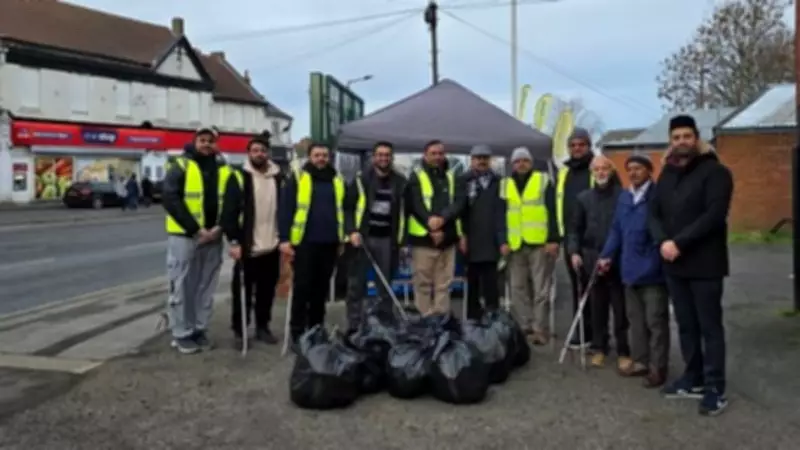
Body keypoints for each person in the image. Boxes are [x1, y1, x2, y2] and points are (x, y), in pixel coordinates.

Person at [649, 114, 733, 416]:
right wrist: (662, 241)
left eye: (686, 136)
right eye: (676, 138)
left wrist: (679, 243)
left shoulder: (716, 172)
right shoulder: (667, 174)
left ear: (696, 138)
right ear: (670, 141)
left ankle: (715, 388)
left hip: (706, 264)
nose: (681, 142)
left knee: (709, 327)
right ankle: (693, 376)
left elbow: (713, 216)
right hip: (674, 265)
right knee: (685, 325)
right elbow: (653, 212)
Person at [598, 153, 669, 387]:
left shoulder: (657, 196)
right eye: (630, 169)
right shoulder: (625, 198)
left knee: (655, 321)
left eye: (639, 168)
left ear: (649, 171)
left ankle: (658, 368)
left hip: (652, 271)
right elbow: (616, 230)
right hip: (628, 269)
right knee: (635, 320)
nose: (633, 173)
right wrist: (606, 255)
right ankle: (640, 361)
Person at [162, 127, 233, 354]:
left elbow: (231, 200)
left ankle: (199, 329)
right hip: (186, 236)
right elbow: (170, 198)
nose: (206, 144)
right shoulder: (180, 165)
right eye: (202, 140)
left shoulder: (223, 169)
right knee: (183, 285)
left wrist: (220, 228)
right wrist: (195, 229)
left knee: (205, 286)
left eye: (210, 141)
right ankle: (181, 332)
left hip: (214, 236)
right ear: (194, 142)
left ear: (216, 144)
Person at [567, 155, 629, 370]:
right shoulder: (583, 198)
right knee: (597, 307)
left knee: (621, 308)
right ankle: (599, 347)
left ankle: (624, 350)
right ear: (592, 173)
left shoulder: (623, 197)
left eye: (605, 169)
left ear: (612, 171)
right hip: (591, 257)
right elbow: (574, 228)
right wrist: (574, 251)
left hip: (617, 259)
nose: (601, 173)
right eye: (597, 169)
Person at [278, 142, 345, 343]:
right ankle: (297, 332)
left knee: (321, 290)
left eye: (324, 155)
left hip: (330, 242)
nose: (321, 158)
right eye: (317, 155)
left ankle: (316, 329)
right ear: (309, 156)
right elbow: (286, 209)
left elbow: (341, 210)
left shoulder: (337, 179)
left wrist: (341, 239)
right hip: (305, 242)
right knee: (302, 288)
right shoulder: (298, 177)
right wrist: (284, 239)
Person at [221, 133, 284, 347]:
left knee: (267, 291)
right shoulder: (239, 177)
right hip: (248, 247)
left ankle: (262, 327)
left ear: (268, 154)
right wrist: (234, 242)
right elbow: (229, 213)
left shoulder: (278, 177)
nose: (259, 154)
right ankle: (240, 332)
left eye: (263, 151)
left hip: (272, 245)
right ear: (249, 153)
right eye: (255, 151)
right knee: (242, 292)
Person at [343, 141, 407, 333]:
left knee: (385, 286)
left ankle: (384, 324)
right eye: (380, 154)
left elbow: (405, 212)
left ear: (392, 157)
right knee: (356, 284)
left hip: (388, 239)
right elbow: (348, 207)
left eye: (387, 155)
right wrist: (351, 231)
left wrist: (402, 241)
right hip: (363, 238)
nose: (383, 158)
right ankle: (355, 325)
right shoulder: (361, 179)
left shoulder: (400, 181)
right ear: (373, 157)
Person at [502, 147, 560, 345]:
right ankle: (524, 325)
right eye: (517, 161)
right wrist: (502, 240)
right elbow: (499, 216)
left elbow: (553, 212)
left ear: (531, 163)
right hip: (515, 244)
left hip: (539, 243)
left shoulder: (543, 181)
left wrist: (553, 239)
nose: (521, 164)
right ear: (512, 164)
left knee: (541, 289)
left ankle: (540, 328)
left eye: (525, 160)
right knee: (517, 287)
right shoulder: (505, 185)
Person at [406, 140, 462, 316]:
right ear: (425, 155)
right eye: (433, 153)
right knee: (422, 284)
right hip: (423, 239)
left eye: (440, 153)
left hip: (447, 239)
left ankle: (441, 322)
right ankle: (424, 322)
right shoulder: (416, 176)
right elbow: (414, 204)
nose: (438, 157)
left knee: (444, 284)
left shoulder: (452, 177)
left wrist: (442, 220)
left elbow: (458, 203)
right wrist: (431, 224)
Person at [456, 145, 506, 319]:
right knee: (472, 284)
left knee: (492, 284)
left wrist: (502, 240)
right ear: (472, 160)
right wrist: (461, 235)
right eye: (478, 158)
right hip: (471, 241)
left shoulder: (499, 181)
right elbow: (458, 211)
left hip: (492, 241)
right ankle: (472, 320)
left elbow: (502, 211)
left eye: (485, 157)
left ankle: (494, 320)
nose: (482, 161)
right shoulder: (462, 180)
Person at [557, 127, 595, 348]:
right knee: (577, 288)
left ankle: (597, 335)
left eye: (581, 144)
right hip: (571, 239)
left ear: (588, 146)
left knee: (596, 290)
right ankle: (581, 330)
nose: (577, 148)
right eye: (573, 145)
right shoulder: (564, 173)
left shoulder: (597, 168)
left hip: (592, 239)